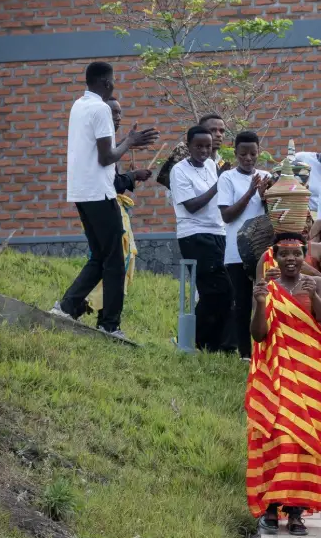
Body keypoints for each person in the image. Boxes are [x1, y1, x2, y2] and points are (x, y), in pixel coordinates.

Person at [51, 61, 158, 338]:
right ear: (107, 83)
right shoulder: (100, 109)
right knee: (114, 260)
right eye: (113, 82)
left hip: (82, 192)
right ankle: (110, 325)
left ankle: (66, 307)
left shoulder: (79, 105)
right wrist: (130, 141)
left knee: (100, 256)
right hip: (99, 192)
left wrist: (126, 142)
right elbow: (106, 157)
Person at [247, 233, 321, 536]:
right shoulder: (266, 287)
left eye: (297, 253)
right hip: (276, 374)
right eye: (285, 254)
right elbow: (258, 334)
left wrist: (315, 298)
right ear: (274, 257)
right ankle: (272, 507)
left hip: (312, 374)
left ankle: (297, 510)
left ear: (304, 256)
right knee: (280, 437)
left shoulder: (317, 284)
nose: (291, 259)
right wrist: (261, 302)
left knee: (305, 442)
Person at [85, 97, 153, 317]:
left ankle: (98, 311)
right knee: (111, 262)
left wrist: (130, 173)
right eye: (113, 112)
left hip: (108, 207)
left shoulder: (110, 144)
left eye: (119, 113)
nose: (118, 117)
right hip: (105, 208)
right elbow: (111, 184)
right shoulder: (101, 145)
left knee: (113, 261)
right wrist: (132, 176)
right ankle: (88, 306)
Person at [171, 124, 235, 353]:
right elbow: (192, 206)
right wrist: (219, 184)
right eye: (198, 146)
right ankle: (188, 340)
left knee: (226, 291)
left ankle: (211, 344)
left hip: (218, 232)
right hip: (194, 235)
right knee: (215, 289)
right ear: (188, 146)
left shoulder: (211, 165)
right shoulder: (179, 170)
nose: (204, 151)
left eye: (207, 146)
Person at [218, 130, 272, 360]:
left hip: (263, 250)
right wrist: (251, 192)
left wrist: (265, 197)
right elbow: (227, 215)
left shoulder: (267, 176)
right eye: (243, 154)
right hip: (236, 251)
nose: (248, 158)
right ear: (236, 153)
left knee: (267, 301)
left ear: (259, 152)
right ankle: (245, 353)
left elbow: (273, 214)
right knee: (241, 303)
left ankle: (268, 350)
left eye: (253, 154)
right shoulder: (227, 178)